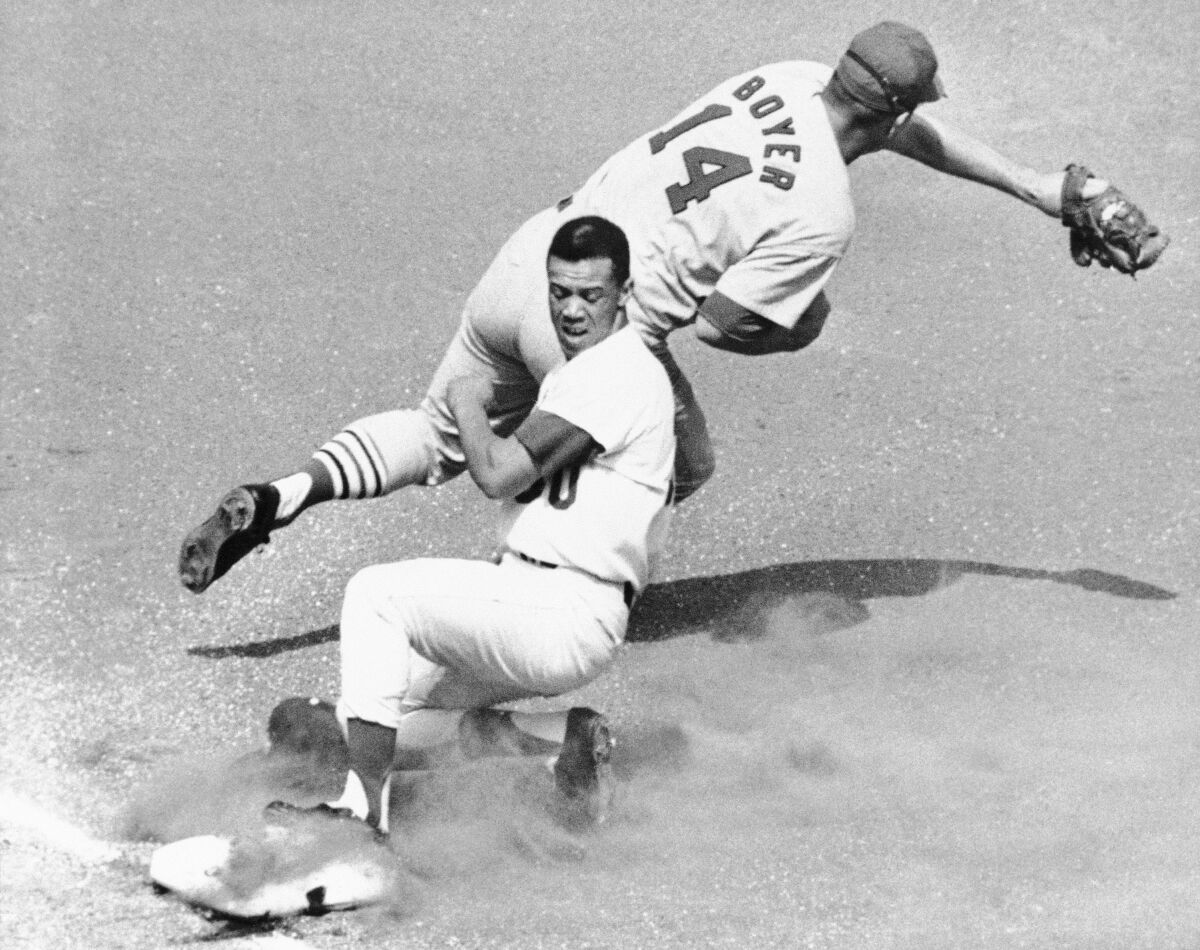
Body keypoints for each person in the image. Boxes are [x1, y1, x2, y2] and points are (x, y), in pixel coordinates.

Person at [179, 20, 1132, 594]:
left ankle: (280, 496)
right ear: (886, 112)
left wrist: (1036, 187)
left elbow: (897, 132)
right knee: (682, 463)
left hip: (536, 255)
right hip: (597, 325)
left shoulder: (787, 76)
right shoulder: (822, 214)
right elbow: (720, 326)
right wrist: (804, 326)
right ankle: (528, 604)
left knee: (436, 435)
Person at [267, 216, 675, 834]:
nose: (571, 309)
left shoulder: (615, 371)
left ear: (624, 293)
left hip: (561, 608)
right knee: (386, 709)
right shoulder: (588, 372)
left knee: (376, 597)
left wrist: (465, 400)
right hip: (550, 604)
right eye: (558, 291)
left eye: (590, 294)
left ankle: (358, 811)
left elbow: (497, 474)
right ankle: (558, 745)